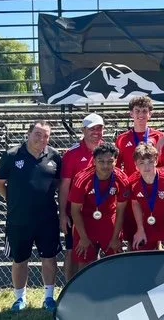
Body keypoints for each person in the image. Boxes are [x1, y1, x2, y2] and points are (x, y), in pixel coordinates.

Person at [0, 120, 63, 312]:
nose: (42, 138)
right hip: (19, 220)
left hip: (47, 219)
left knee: (49, 258)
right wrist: (14, 200)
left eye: (46, 135)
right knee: (20, 260)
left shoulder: (54, 156)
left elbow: (57, 183)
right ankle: (20, 299)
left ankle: (49, 298)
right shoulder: (11, 155)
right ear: (29, 133)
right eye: (38, 134)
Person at [69, 143, 130, 272]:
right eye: (101, 161)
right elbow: (75, 211)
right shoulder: (82, 178)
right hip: (86, 223)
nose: (105, 166)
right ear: (94, 161)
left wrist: (115, 237)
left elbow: (120, 211)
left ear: (116, 161)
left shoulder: (122, 179)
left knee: (114, 264)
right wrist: (83, 237)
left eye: (110, 161)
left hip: (109, 222)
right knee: (84, 266)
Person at [59, 113, 105, 282]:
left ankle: (94, 287)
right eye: (92, 129)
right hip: (76, 212)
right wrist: (63, 214)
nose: (96, 132)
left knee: (98, 251)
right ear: (83, 130)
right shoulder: (72, 154)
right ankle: (69, 288)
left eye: (99, 128)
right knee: (73, 251)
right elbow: (64, 186)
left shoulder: (108, 151)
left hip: (101, 211)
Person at [116, 96, 164, 242]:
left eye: (144, 111)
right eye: (137, 111)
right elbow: (117, 167)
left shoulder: (159, 137)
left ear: (150, 114)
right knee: (133, 234)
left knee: (155, 233)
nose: (141, 114)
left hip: (153, 190)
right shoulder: (122, 139)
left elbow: (163, 164)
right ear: (131, 113)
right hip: (132, 190)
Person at [129, 144, 164, 250]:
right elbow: (135, 203)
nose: (146, 167)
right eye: (142, 163)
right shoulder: (132, 181)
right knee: (138, 248)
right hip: (148, 225)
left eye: (150, 162)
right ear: (136, 164)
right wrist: (140, 229)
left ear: (156, 161)